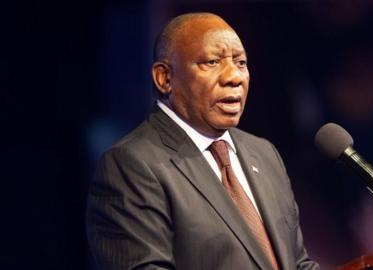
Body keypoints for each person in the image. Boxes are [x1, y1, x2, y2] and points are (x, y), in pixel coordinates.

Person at [86, 12, 320, 270]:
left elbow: (297, 263)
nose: (234, 77)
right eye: (212, 62)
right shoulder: (131, 164)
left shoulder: (264, 154)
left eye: (241, 62)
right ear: (164, 78)